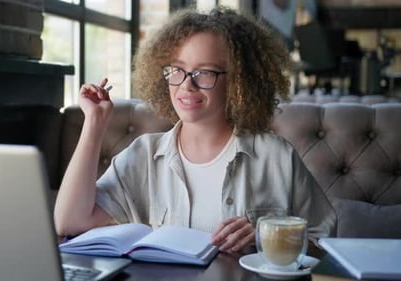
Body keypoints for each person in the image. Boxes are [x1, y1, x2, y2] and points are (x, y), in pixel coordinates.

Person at [54, 6, 336, 255]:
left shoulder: (276, 157)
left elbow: (325, 243)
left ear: (238, 82)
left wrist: (266, 238)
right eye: (177, 70)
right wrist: (94, 123)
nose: (187, 86)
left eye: (205, 72)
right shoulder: (143, 155)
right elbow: (69, 222)